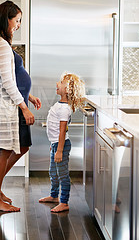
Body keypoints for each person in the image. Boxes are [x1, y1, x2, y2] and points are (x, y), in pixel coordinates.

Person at [0, 0, 36, 212]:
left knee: (21, 146)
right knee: (4, 151)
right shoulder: (1, 44)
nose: (19, 24)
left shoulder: (0, 42)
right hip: (6, 106)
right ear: (7, 19)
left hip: (12, 102)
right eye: (17, 20)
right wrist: (24, 107)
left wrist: (28, 97)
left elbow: (12, 77)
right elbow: (7, 81)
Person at [39, 72, 85, 213]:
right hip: (55, 145)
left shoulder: (65, 109)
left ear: (67, 89)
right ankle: (54, 196)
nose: (57, 84)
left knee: (62, 174)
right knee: (53, 172)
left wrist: (59, 150)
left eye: (60, 82)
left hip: (61, 145)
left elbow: (62, 131)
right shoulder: (60, 105)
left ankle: (64, 202)